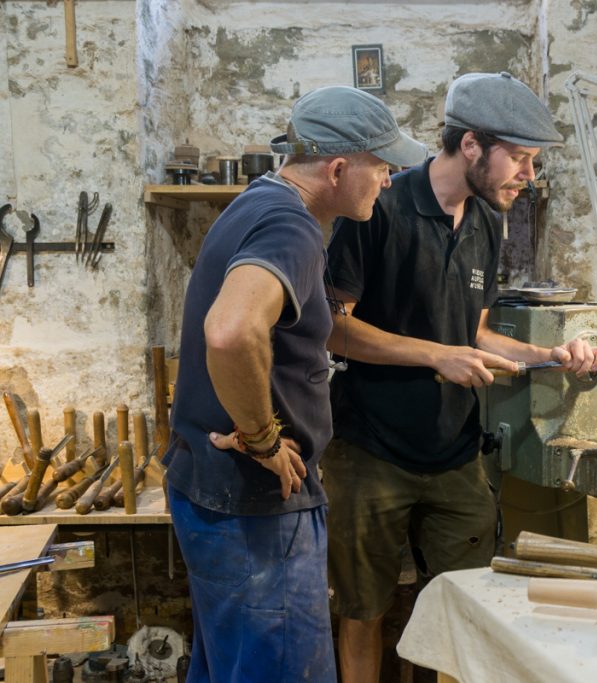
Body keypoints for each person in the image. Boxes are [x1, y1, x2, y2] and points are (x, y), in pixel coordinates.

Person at [322, 71, 597, 682]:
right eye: (521, 158)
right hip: (370, 446)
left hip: (453, 451)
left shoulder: (487, 222)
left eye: (534, 162)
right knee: (363, 610)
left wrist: (550, 355)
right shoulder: (378, 206)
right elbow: (333, 328)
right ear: (473, 145)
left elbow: (473, 332)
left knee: (460, 606)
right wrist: (435, 355)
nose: (528, 176)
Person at [163, 85, 427, 683]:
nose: (388, 182)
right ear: (337, 168)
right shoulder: (293, 227)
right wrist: (260, 437)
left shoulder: (258, 201)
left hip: (214, 491)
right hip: (256, 503)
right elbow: (230, 332)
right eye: (382, 168)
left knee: (230, 667)